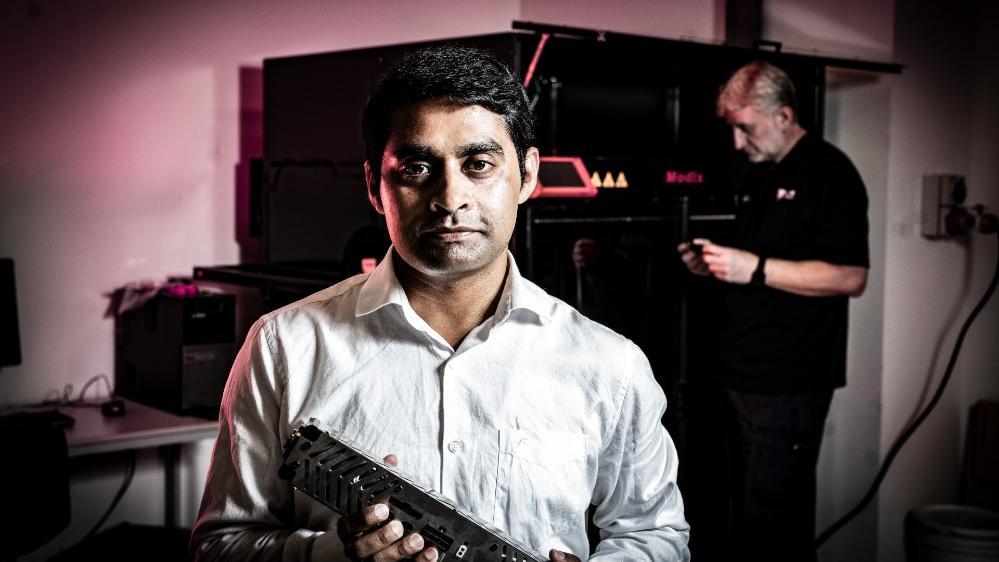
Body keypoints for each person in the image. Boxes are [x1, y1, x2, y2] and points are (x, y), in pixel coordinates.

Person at [192, 45, 690, 562]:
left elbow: (655, 536)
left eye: (478, 164)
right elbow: (219, 546)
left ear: (527, 175)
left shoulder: (610, 365)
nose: (450, 198)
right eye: (416, 167)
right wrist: (334, 556)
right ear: (373, 185)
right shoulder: (283, 346)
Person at [677, 60, 869, 561]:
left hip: (789, 382)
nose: (738, 142)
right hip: (736, 371)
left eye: (746, 128)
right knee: (733, 513)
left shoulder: (830, 172)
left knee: (773, 523)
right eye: (733, 129)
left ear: (783, 115)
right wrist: (713, 264)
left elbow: (851, 276)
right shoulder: (759, 174)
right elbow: (751, 259)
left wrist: (755, 269)